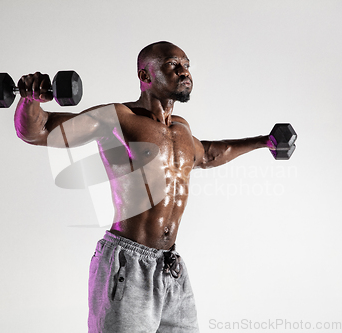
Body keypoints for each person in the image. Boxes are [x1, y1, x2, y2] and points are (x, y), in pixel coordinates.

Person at [14, 41, 276, 333]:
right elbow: (39, 132)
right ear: (146, 76)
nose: (184, 72)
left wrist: (264, 141)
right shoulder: (117, 118)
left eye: (186, 65)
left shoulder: (181, 129)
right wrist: (30, 99)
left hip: (170, 268)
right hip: (127, 265)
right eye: (172, 65)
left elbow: (211, 154)